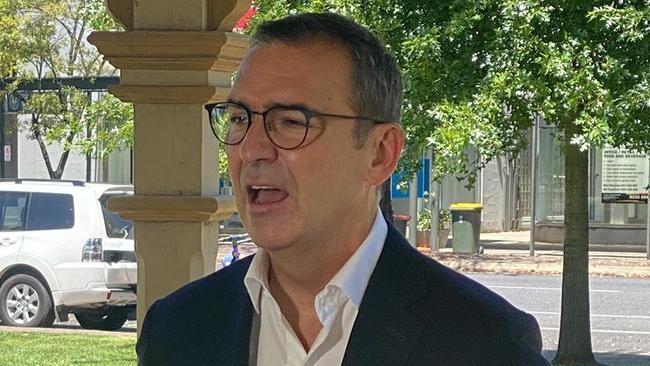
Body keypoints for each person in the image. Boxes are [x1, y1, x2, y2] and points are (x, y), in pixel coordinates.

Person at [136, 12, 550, 366]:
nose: (251, 149)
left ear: (380, 154)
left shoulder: (486, 343)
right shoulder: (177, 330)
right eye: (240, 118)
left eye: (290, 122)